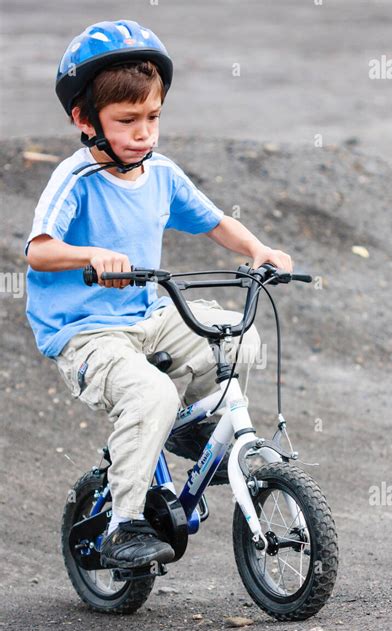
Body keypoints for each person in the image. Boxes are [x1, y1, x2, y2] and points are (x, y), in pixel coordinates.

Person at [24, 19, 293, 570]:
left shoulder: (161, 174)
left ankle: (191, 433)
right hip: (86, 333)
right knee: (150, 394)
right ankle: (124, 526)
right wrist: (90, 255)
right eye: (127, 121)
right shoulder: (76, 180)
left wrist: (259, 250)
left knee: (240, 340)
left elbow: (216, 222)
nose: (144, 132)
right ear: (83, 119)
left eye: (153, 117)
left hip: (147, 316)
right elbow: (39, 250)